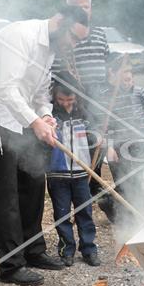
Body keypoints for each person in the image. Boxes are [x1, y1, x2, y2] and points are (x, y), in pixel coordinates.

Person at [0, 5, 90, 286]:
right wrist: (35, 122)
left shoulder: (51, 48)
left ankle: (33, 250)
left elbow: (41, 92)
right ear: (59, 21)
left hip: (20, 115)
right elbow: (8, 89)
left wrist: (44, 115)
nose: (74, 45)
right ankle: (11, 265)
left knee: (33, 178)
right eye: (74, 38)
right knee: (8, 189)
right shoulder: (22, 36)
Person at [51, 0, 111, 216]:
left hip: (97, 99)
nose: (83, 10)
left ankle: (93, 190)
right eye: (78, 7)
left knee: (98, 145)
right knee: (76, 149)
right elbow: (55, 71)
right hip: (72, 100)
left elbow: (105, 64)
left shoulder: (99, 34)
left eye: (86, 7)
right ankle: (81, 192)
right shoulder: (64, 35)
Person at [46, 71, 100, 267]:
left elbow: (95, 137)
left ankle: (88, 249)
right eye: (62, 99)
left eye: (70, 99)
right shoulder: (49, 114)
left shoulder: (84, 114)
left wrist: (98, 138)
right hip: (57, 173)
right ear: (55, 96)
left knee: (84, 212)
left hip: (81, 171)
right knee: (62, 213)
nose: (66, 103)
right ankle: (66, 249)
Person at [95, 55, 144, 221]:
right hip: (117, 146)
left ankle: (136, 217)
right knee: (122, 183)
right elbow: (101, 124)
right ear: (112, 73)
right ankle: (114, 209)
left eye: (129, 75)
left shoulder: (136, 92)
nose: (127, 79)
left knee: (136, 180)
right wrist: (109, 146)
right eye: (123, 73)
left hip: (136, 143)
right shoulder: (105, 95)